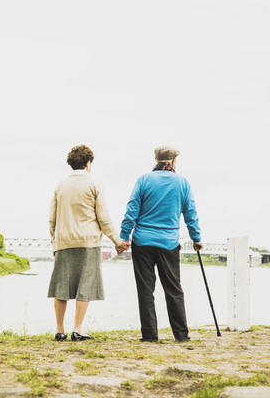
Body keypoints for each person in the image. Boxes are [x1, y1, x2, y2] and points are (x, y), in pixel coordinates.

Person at [120, 146, 203, 342]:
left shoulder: (143, 180)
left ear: (156, 160)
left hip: (143, 242)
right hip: (169, 244)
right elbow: (190, 213)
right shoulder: (183, 183)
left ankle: (150, 336)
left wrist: (124, 237)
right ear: (172, 163)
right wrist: (196, 238)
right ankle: (181, 335)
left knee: (145, 290)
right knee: (174, 289)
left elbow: (131, 209)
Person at [48, 144, 129, 342]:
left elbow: (52, 219)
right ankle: (77, 329)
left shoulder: (60, 185)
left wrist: (55, 242)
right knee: (85, 284)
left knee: (62, 286)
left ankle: (60, 330)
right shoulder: (95, 184)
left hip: (64, 241)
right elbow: (104, 218)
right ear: (88, 163)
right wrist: (118, 241)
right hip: (88, 242)